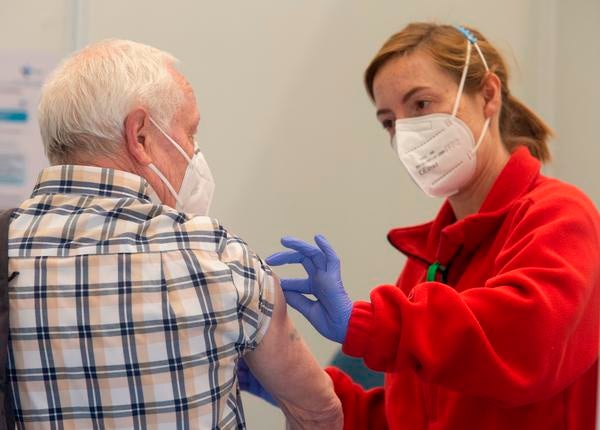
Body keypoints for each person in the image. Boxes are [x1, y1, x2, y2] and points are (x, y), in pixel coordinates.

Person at [240, 23, 600, 429]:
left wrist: (371, 323)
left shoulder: (561, 217)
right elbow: (408, 420)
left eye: (421, 105)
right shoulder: (431, 260)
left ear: (488, 94)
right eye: (389, 121)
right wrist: (306, 388)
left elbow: (525, 343)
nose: (405, 132)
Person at [6, 39, 342, 429]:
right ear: (141, 136)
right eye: (191, 132)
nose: (195, 152)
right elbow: (318, 411)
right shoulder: (221, 257)